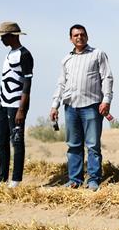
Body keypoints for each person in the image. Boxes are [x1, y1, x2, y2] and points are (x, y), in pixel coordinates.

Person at [49, 24, 114, 192]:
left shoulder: (97, 54)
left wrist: (106, 100)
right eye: (76, 35)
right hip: (70, 107)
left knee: (92, 145)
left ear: (87, 36)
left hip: (92, 105)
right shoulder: (66, 60)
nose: (79, 37)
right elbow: (61, 84)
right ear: (71, 39)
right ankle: (75, 180)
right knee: (73, 145)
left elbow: (107, 77)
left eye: (82, 34)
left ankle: (93, 180)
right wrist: (54, 105)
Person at [0, 21, 34, 188]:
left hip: (16, 105)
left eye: (3, 36)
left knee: (16, 141)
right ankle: (1, 177)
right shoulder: (9, 54)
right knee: (2, 141)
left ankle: (16, 179)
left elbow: (27, 83)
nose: (1, 40)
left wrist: (21, 109)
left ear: (12, 36)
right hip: (3, 104)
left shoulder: (24, 54)